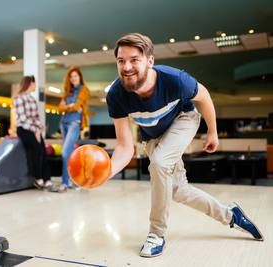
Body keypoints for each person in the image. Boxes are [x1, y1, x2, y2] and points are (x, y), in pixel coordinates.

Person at [106, 33, 263, 257]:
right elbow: (124, 146)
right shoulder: (116, 95)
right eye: (121, 61)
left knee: (159, 163)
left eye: (134, 59)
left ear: (150, 61)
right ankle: (231, 215)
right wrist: (106, 171)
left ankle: (156, 233)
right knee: (179, 191)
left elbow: (205, 96)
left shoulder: (175, 79)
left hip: (184, 119)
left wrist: (213, 132)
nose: (127, 67)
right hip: (153, 135)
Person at [13, 75, 53, 190]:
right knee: (37, 149)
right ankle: (38, 178)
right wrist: (36, 130)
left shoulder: (32, 99)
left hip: (34, 129)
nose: (35, 86)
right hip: (23, 129)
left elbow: (36, 117)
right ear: (30, 84)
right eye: (34, 83)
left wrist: (40, 128)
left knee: (43, 151)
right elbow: (23, 118)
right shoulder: (19, 98)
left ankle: (47, 179)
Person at [58, 66, 90, 192]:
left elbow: (77, 105)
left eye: (75, 76)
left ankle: (65, 183)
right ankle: (73, 180)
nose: (73, 78)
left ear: (80, 77)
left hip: (75, 123)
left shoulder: (84, 90)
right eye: (71, 77)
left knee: (65, 152)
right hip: (64, 123)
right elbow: (59, 109)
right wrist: (70, 106)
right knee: (70, 154)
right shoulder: (68, 91)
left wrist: (68, 106)